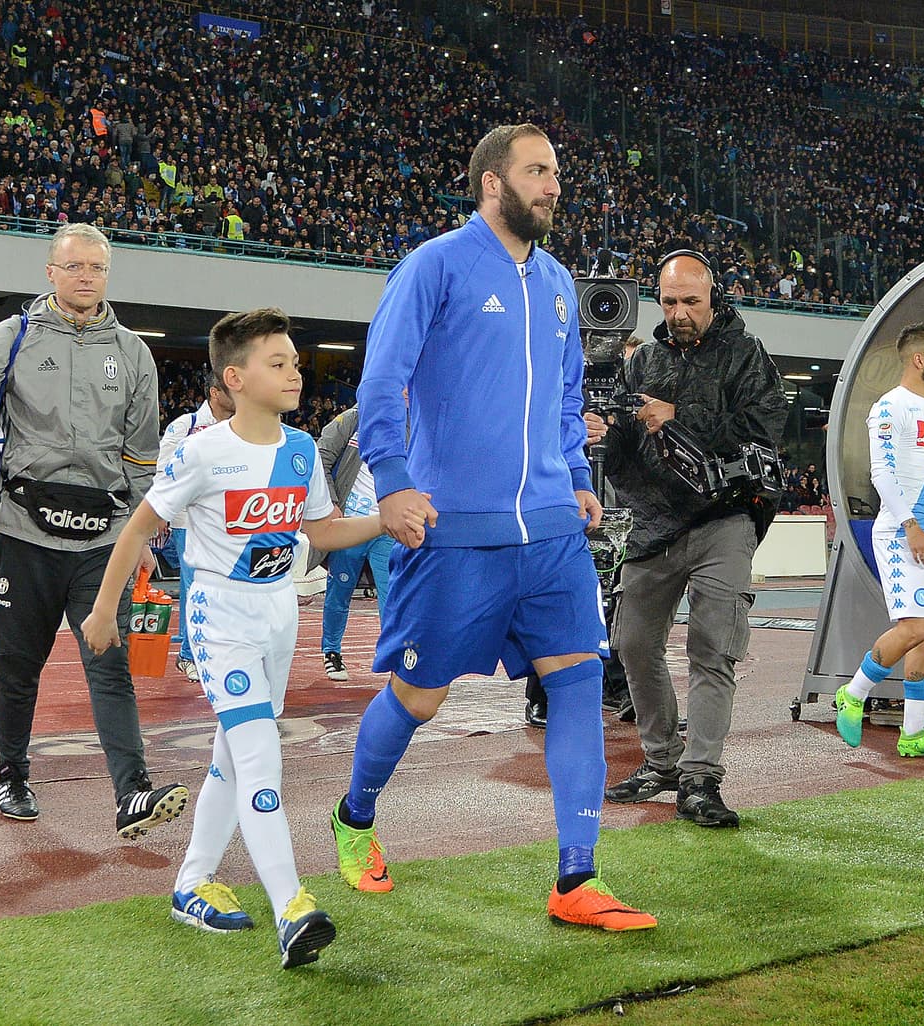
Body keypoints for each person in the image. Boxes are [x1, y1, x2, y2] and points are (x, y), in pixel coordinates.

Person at [331, 123, 656, 931]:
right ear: (492, 182)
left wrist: (575, 477)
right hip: (454, 531)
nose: (553, 187)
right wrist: (394, 483)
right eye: (537, 171)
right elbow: (382, 382)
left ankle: (577, 876)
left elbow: (566, 398)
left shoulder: (558, 282)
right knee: (420, 695)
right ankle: (354, 815)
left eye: (556, 173)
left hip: (550, 532)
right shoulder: (434, 266)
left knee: (577, 678)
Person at [82, 308, 387, 968]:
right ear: (235, 378)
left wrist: (384, 520)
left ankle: (192, 883)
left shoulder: (301, 450)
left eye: (295, 362)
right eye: (278, 363)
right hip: (220, 618)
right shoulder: (201, 452)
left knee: (233, 756)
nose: (295, 373)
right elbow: (138, 528)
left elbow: (322, 532)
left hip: (280, 614)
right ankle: (292, 906)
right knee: (259, 757)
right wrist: (105, 611)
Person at [0, 222, 188, 833]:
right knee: (17, 664)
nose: (86, 278)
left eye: (96, 268)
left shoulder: (133, 352)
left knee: (110, 661)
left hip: (104, 539)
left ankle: (133, 792)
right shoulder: (13, 336)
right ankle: (13, 774)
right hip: (25, 532)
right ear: (51, 272)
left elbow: (142, 460)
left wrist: (142, 536)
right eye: (74, 266)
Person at [595, 247, 788, 827]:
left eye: (690, 301)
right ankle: (663, 761)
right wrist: (605, 436)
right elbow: (625, 456)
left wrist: (678, 416)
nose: (679, 313)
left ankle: (701, 778)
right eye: (669, 302)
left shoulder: (747, 354)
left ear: (713, 297)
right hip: (654, 524)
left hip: (725, 518)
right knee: (633, 644)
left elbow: (763, 431)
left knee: (712, 646)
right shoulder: (643, 362)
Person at [834, 323, 924, 760]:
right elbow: (882, 474)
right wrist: (911, 526)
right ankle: (853, 693)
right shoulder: (890, 407)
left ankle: (913, 734)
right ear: (918, 359)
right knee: (914, 628)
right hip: (901, 533)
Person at [156, 376, 235, 683]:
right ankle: (190, 655)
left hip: (225, 520)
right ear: (215, 393)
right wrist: (162, 512)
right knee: (195, 586)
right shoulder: (185, 426)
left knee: (220, 589)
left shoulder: (239, 427)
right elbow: (164, 470)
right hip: (188, 520)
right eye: (229, 391)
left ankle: (205, 651)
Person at [315, 403, 395, 682]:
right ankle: (331, 651)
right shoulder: (353, 418)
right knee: (339, 591)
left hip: (387, 525)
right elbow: (320, 458)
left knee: (393, 594)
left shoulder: (413, 421)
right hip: (349, 524)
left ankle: (393, 654)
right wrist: (330, 502)